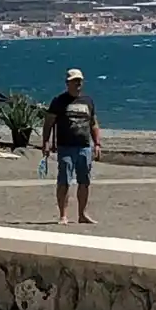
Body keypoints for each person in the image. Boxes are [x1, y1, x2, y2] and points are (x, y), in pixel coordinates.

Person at [42, 68, 103, 224]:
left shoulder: (88, 101)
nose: (77, 84)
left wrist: (97, 143)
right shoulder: (59, 101)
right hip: (66, 147)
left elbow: (93, 123)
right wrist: (46, 142)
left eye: (79, 81)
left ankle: (82, 214)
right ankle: (63, 215)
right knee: (64, 180)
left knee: (84, 181)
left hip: (84, 147)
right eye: (74, 81)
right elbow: (48, 123)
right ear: (67, 83)